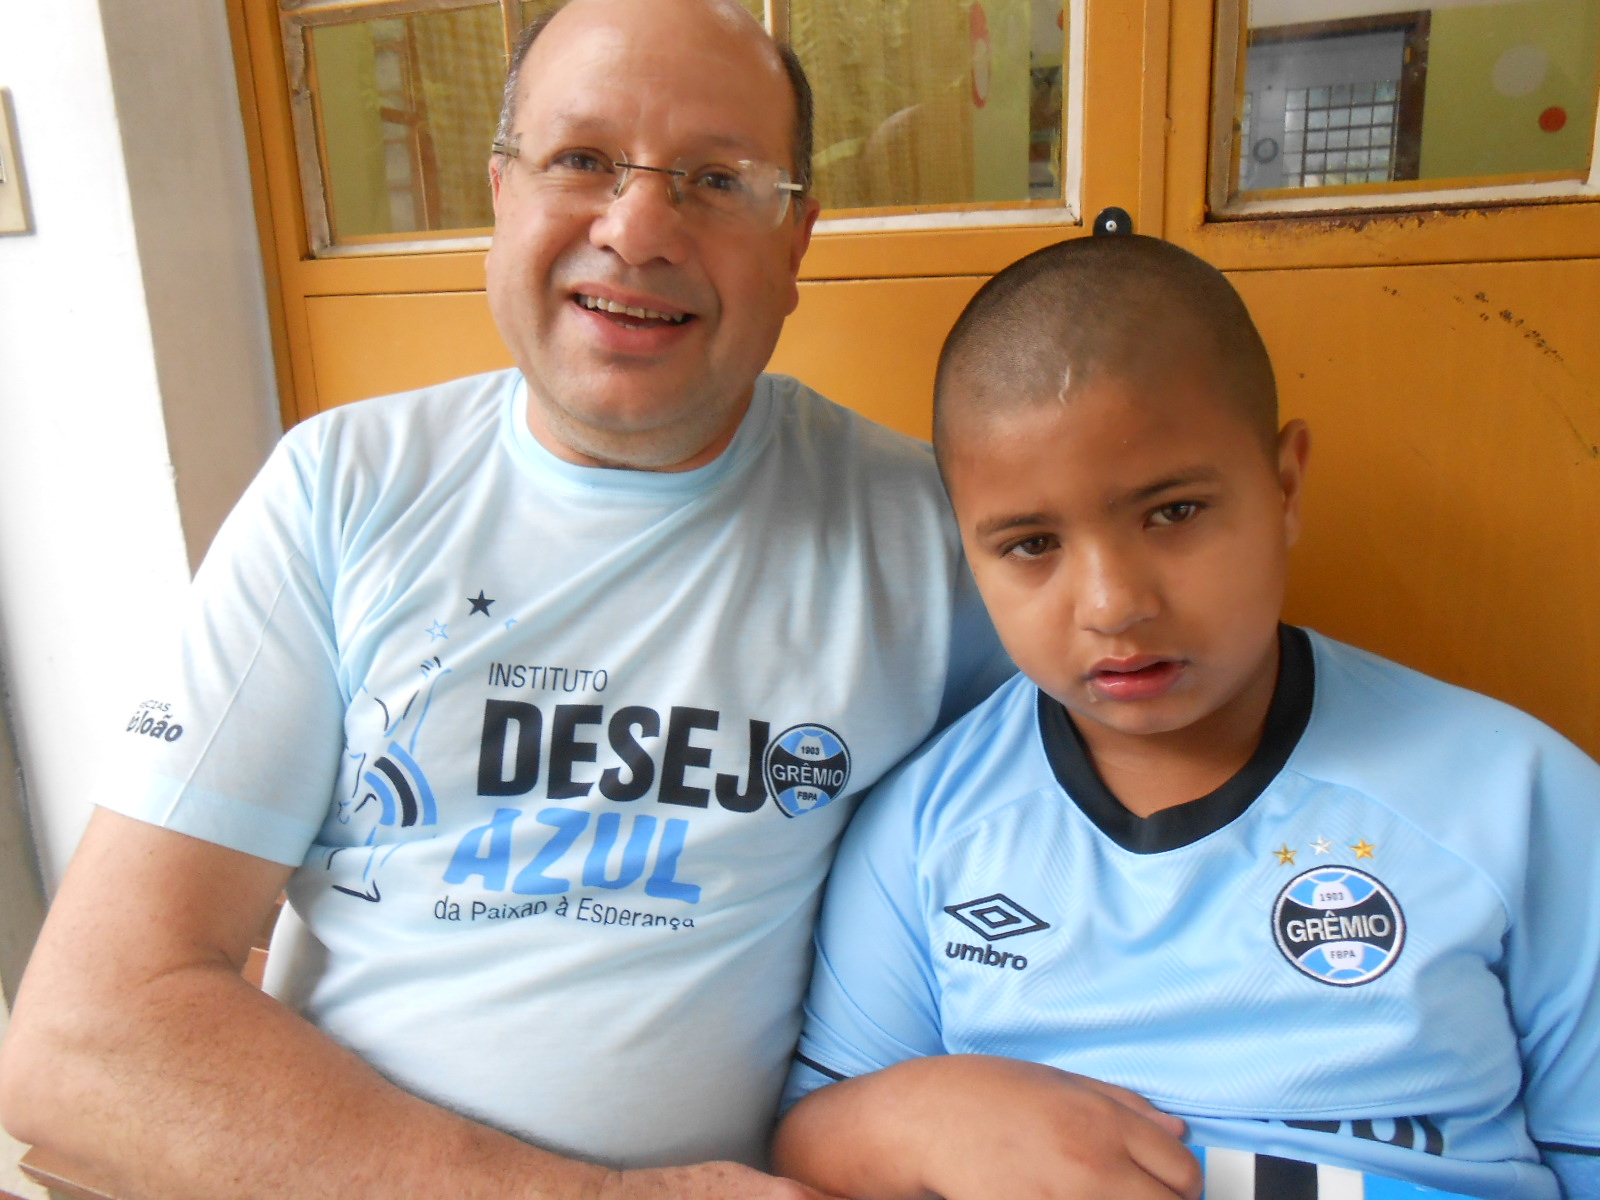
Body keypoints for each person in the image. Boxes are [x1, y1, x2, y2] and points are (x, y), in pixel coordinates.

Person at [0, 2, 1036, 1197]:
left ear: (795, 238)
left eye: (716, 177)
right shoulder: (343, 491)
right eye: (582, 159)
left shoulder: (927, 537)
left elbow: (1109, 872)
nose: (638, 228)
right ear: (502, 194)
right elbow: (83, 1040)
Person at [771, 236, 1600, 1200]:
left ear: (1284, 485)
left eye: (1173, 513)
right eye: (1030, 543)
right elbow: (809, 1147)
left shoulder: (1520, 797)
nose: (1114, 604)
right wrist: (912, 1117)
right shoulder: (926, 831)